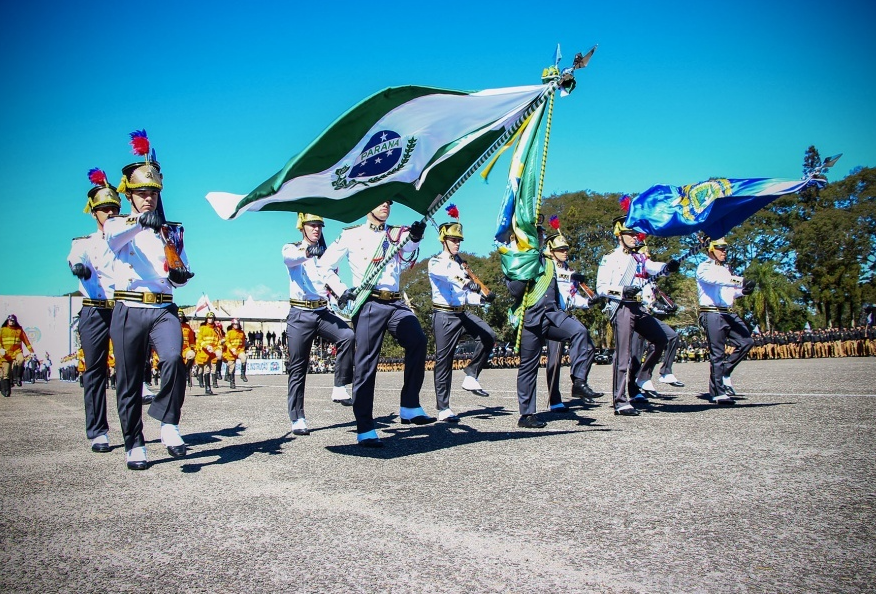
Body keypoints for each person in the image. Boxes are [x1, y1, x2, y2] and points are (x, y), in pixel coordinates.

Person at [104, 130, 194, 470]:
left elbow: (178, 270)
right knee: (128, 381)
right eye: (142, 193)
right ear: (130, 195)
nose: (148, 199)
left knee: (173, 358)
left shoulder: (171, 231)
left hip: (162, 308)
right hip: (129, 307)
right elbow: (114, 239)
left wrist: (180, 275)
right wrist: (142, 222)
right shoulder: (117, 225)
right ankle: (134, 442)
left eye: (153, 194)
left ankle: (169, 422)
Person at [321, 201, 434, 447]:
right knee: (366, 365)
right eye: (381, 201)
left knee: (417, 340)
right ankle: (365, 426)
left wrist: (415, 238)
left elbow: (405, 257)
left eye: (389, 202)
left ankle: (410, 405)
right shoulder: (351, 234)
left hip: (395, 302)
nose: (386, 205)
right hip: (369, 303)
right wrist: (341, 290)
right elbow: (324, 266)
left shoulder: (396, 234)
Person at [505, 223, 600, 428]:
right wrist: (527, 271)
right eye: (536, 234)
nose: (539, 237)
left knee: (580, 331)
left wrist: (584, 303)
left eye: (541, 234)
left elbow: (559, 294)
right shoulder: (518, 260)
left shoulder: (549, 263)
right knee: (528, 367)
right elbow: (514, 290)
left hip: (553, 315)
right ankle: (527, 414)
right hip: (531, 318)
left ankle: (578, 381)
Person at [596, 208, 680, 416]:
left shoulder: (639, 259)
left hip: (638, 307)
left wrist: (668, 267)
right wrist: (622, 290)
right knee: (623, 354)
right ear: (620, 235)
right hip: (622, 307)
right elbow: (601, 288)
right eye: (631, 234)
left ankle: (642, 377)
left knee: (662, 338)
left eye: (636, 234)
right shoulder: (610, 259)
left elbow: (654, 267)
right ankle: (620, 400)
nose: (635, 238)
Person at [281, 213, 354, 436]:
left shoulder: (325, 253)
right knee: (298, 367)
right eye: (312, 225)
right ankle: (298, 417)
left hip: (322, 311)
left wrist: (343, 292)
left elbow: (328, 276)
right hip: (300, 313)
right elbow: (290, 259)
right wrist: (308, 252)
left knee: (348, 336)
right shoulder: (291, 248)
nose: (317, 229)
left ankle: (340, 386)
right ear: (302, 227)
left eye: (320, 226)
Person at [67, 167, 121, 452]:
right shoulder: (84, 242)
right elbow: (76, 258)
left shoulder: (127, 240)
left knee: (129, 367)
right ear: (94, 213)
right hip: (94, 310)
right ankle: (98, 430)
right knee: (95, 371)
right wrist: (78, 267)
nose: (110, 213)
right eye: (104, 209)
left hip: (122, 308)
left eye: (114, 208)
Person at [428, 210, 497, 423]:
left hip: (461, 312)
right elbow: (451, 278)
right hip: (444, 315)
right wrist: (467, 281)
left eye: (459, 240)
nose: (457, 243)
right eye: (453, 239)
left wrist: (482, 299)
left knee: (489, 336)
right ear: (443, 240)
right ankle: (444, 408)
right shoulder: (435, 262)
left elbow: (466, 295)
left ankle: (471, 374)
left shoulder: (462, 264)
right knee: (444, 361)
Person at [541, 218, 602, 411]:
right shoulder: (547, 268)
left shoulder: (570, 270)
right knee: (554, 359)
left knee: (590, 348)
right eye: (560, 249)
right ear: (551, 250)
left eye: (566, 249)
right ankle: (555, 399)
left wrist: (588, 302)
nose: (565, 252)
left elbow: (572, 297)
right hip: (553, 314)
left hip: (567, 313)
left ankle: (579, 382)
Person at [695, 238, 755, 404]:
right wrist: (740, 280)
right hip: (711, 313)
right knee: (717, 353)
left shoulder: (726, 269)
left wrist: (743, 291)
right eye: (720, 249)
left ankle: (724, 372)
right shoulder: (704, 267)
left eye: (725, 250)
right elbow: (715, 280)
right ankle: (718, 392)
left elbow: (730, 292)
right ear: (711, 250)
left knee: (746, 341)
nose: (724, 252)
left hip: (727, 312)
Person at [0, 314, 37, 397]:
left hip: (17, 351)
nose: (11, 322)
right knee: (6, 373)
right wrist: (1, 349)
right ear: (7, 321)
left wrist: (31, 351)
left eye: (13, 321)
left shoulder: (19, 330)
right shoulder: (2, 330)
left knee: (21, 360)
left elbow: (26, 341)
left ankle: (18, 377)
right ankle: (6, 390)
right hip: (6, 354)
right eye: (10, 321)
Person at [194, 312, 221, 395]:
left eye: (212, 318)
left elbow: (218, 340)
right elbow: (199, 340)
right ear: (206, 319)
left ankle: (208, 387)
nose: (210, 320)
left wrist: (218, 348)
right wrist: (206, 346)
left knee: (208, 368)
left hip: (212, 351)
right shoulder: (202, 328)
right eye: (209, 318)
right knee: (202, 367)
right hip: (204, 351)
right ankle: (198, 376)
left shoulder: (217, 329)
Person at [223, 318, 247, 389]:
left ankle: (242, 374)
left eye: (237, 324)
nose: (236, 325)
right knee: (231, 368)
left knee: (244, 358)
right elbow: (227, 342)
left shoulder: (242, 333)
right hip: (231, 352)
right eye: (234, 324)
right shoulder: (229, 332)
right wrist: (231, 348)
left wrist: (242, 350)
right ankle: (232, 382)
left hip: (239, 350)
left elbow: (243, 343)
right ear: (232, 325)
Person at [179, 311, 196, 387]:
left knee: (192, 355)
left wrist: (192, 348)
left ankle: (186, 371)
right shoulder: (171, 326)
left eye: (181, 317)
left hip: (186, 349)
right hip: (176, 349)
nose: (180, 318)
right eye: (178, 317)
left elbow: (192, 340)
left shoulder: (187, 327)